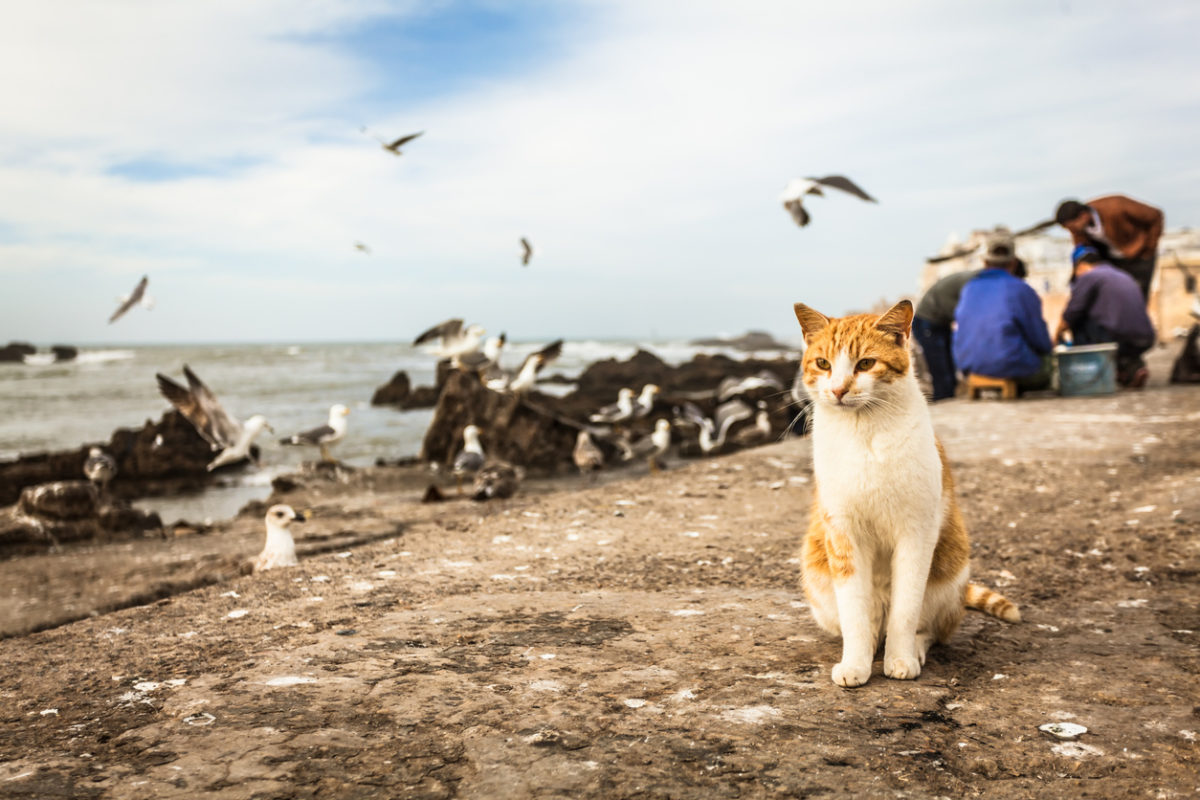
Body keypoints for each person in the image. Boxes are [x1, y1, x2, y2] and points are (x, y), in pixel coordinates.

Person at [953, 233, 1054, 392]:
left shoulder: (969, 288)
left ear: (985, 262)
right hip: (1008, 366)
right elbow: (1041, 341)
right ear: (1013, 263)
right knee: (1048, 362)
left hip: (970, 366)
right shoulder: (1021, 289)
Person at [1055, 245, 1155, 388]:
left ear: (1081, 266)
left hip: (1115, 336)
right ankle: (1133, 368)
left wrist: (1057, 334)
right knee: (1123, 346)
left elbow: (1072, 312)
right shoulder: (1123, 275)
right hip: (1145, 337)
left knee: (1079, 322)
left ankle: (1091, 370)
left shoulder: (1089, 276)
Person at [1054, 195, 1164, 301]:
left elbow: (1155, 215)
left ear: (1083, 216)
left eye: (1072, 227)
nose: (1072, 232)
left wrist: (1149, 249)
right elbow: (1082, 248)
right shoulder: (1079, 230)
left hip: (1140, 256)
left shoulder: (1117, 206)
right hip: (1113, 261)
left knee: (1138, 298)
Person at [914, 269, 981, 401]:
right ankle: (943, 398)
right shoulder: (972, 283)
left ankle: (946, 396)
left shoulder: (974, 279)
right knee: (941, 369)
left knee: (948, 367)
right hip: (927, 322)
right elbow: (961, 312)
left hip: (939, 322)